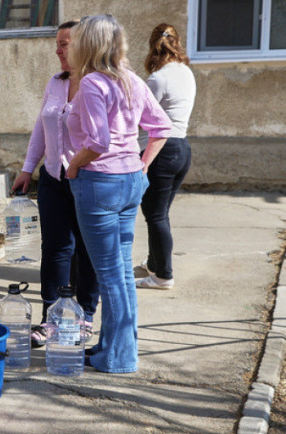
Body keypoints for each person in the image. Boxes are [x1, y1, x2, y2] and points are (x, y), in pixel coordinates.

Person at [65, 14, 171, 373]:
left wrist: (73, 165)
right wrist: (141, 166)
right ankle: (113, 348)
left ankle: (119, 357)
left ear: (87, 44)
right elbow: (161, 128)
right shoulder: (131, 79)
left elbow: (97, 142)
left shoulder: (93, 83)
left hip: (100, 183)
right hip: (128, 181)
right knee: (121, 273)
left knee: (111, 275)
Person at [11, 20, 100, 348]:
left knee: (88, 251)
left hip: (88, 177)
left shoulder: (98, 83)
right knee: (56, 250)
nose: (57, 50)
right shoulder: (55, 81)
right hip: (52, 178)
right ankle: (52, 319)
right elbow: (41, 126)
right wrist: (26, 168)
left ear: (84, 45)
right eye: (57, 43)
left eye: (65, 43)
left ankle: (85, 316)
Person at [136, 23, 196, 290]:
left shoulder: (158, 79)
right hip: (182, 148)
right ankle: (154, 264)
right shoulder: (186, 72)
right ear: (177, 43)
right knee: (160, 213)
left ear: (153, 46)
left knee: (155, 214)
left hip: (162, 149)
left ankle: (163, 276)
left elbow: (140, 117)